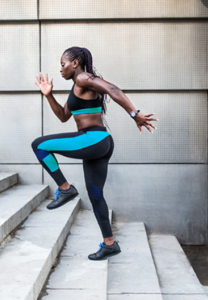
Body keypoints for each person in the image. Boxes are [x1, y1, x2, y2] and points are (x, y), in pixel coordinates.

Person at [32, 46, 158, 260]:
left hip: (92, 139)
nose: (60, 69)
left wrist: (134, 113)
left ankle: (65, 188)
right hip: (100, 143)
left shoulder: (83, 77)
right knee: (95, 195)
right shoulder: (77, 87)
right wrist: (49, 95)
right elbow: (63, 116)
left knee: (39, 145)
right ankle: (110, 244)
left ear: (75, 63)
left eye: (63, 64)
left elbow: (113, 89)